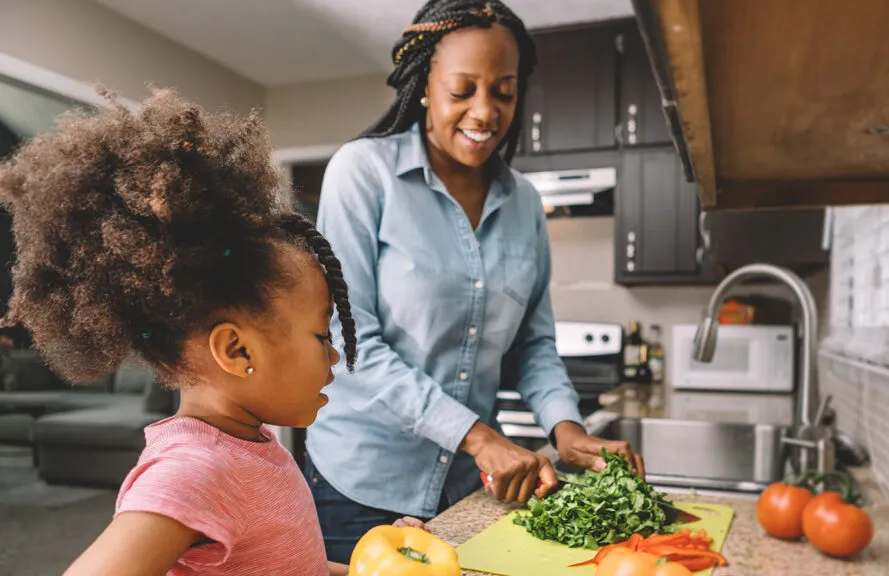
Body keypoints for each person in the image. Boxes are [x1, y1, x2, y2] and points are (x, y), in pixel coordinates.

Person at [0, 89, 425, 576]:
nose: (333, 358)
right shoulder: (195, 470)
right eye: (321, 335)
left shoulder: (250, 442)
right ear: (237, 349)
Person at [307, 0, 645, 563]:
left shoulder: (525, 205)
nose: (485, 112)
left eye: (504, 91)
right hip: (360, 484)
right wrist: (480, 436)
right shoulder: (363, 174)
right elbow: (351, 339)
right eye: (462, 90)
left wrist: (566, 428)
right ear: (423, 86)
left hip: (466, 487)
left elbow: (533, 345)